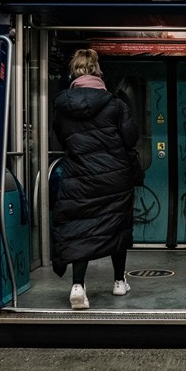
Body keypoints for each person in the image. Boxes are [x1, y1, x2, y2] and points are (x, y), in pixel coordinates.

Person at [51, 49, 139, 308]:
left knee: (81, 229)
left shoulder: (62, 106)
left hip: (79, 176)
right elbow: (130, 138)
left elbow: (60, 138)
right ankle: (119, 282)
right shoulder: (115, 104)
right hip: (115, 178)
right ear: (97, 70)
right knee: (115, 227)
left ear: (74, 71)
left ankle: (78, 286)